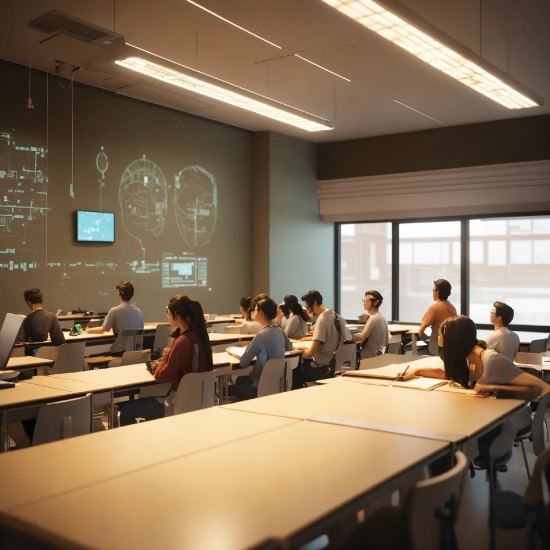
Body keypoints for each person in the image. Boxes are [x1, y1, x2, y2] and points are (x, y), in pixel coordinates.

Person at [405, 315, 549, 461]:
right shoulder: (467, 359)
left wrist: (493, 388)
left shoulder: (492, 360)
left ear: (453, 339)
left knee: (445, 445)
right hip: (490, 419)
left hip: (507, 424)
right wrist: (416, 371)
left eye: (441, 334)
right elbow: (446, 373)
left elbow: (541, 388)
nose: (439, 338)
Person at [119, 295, 213, 425]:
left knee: (128, 410)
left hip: (178, 403)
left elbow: (160, 376)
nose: (167, 316)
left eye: (168, 312)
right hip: (199, 402)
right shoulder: (200, 337)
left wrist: (166, 355)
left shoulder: (182, 342)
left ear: (176, 314)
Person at [228, 295, 292, 399]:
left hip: (260, 386)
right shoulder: (280, 331)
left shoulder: (261, 335)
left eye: (255, 310)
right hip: (278, 384)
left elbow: (243, 363)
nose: (254, 312)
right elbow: (289, 347)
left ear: (261, 312)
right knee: (240, 380)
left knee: (231, 384)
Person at [293, 290, 351, 388]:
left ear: (315, 303)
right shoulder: (338, 317)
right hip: (338, 366)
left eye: (307, 306)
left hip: (324, 369)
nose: (306, 310)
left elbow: (310, 353)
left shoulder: (322, 320)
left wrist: (298, 351)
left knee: (294, 370)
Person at [86, 281, 144, 356]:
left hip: (118, 353)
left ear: (119, 294)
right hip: (135, 353)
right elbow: (141, 330)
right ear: (132, 294)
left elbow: (103, 329)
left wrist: (88, 330)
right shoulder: (138, 311)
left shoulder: (114, 311)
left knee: (92, 356)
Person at [418, 279, 457, 355]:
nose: (432, 293)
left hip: (436, 348)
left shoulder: (434, 308)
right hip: (449, 348)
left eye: (433, 290)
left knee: (418, 351)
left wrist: (427, 339)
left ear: (438, 291)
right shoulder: (452, 307)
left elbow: (420, 332)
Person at [353, 290, 388, 359]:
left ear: (376, 302)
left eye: (367, 300)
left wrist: (349, 336)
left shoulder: (373, 318)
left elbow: (362, 337)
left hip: (369, 356)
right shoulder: (382, 317)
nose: (364, 303)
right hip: (378, 356)